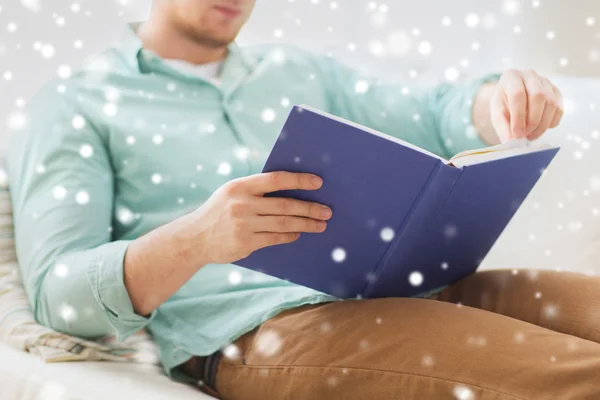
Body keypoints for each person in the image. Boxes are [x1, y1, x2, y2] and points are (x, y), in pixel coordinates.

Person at [6, 0, 600, 398]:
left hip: (416, 288)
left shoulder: (299, 70)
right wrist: (196, 239)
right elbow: (61, 298)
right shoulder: (76, 102)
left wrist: (499, 101)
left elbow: (435, 113)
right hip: (266, 330)